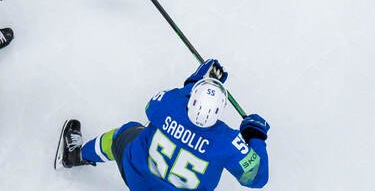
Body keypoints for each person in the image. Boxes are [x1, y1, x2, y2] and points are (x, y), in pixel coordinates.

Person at [55, 58, 269, 190]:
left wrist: (195, 82)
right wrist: (256, 137)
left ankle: (77, 155)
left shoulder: (170, 104)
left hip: (137, 177)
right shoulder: (228, 142)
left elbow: (152, 106)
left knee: (127, 132)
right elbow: (257, 178)